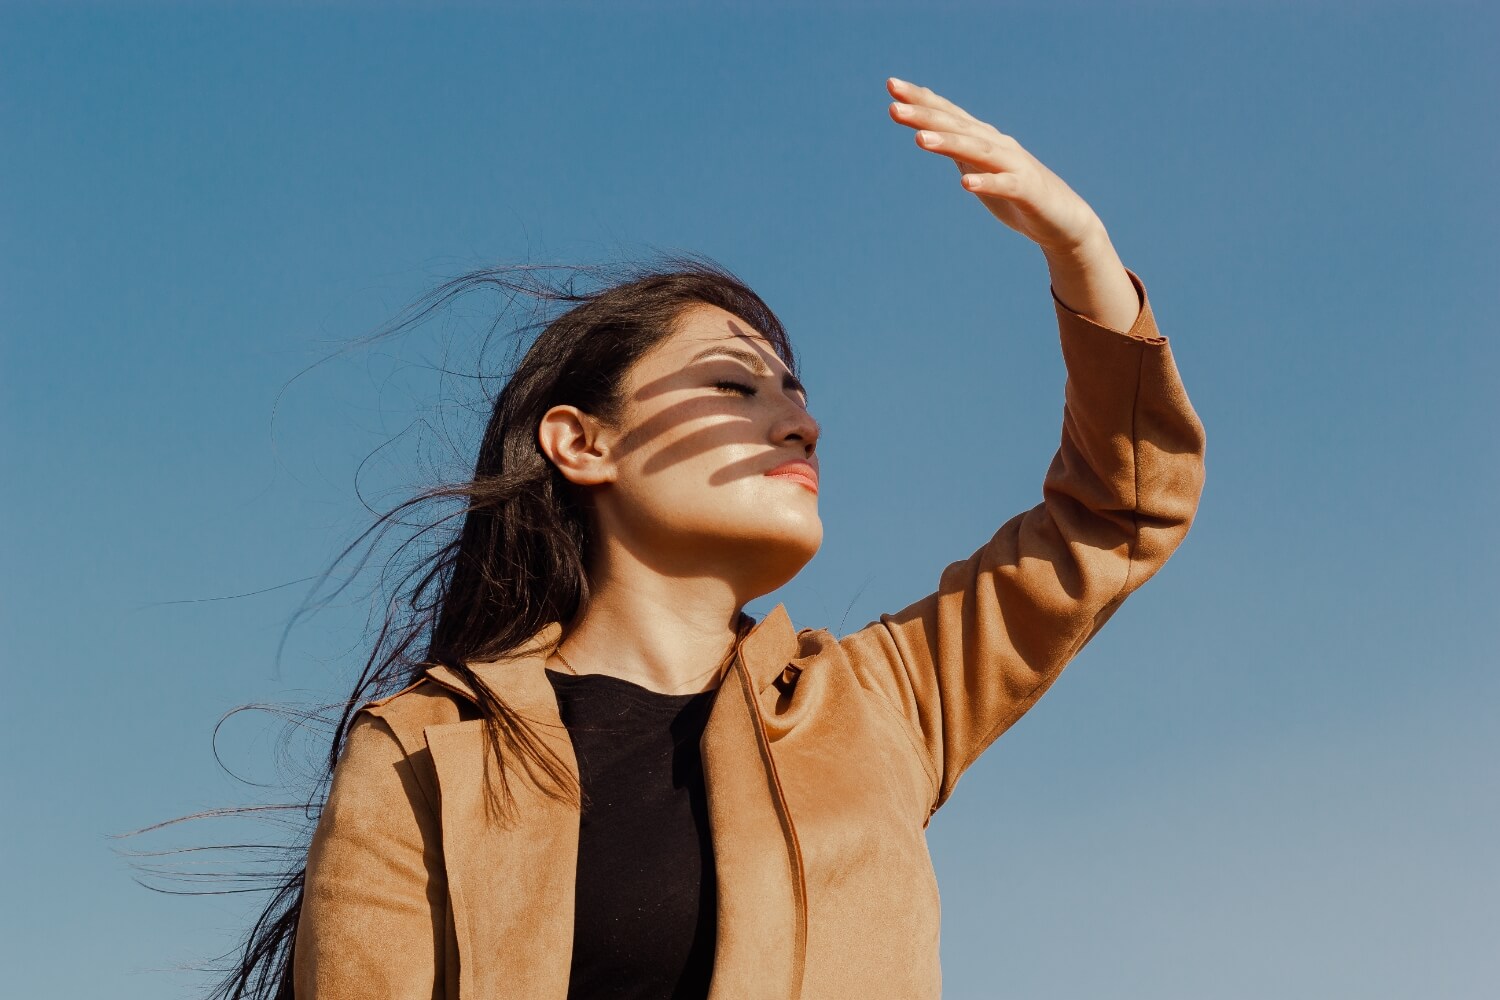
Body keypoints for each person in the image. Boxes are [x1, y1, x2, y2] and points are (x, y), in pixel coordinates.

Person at [225, 77, 1206, 1000]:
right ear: (583, 441)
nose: (799, 423)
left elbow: (1116, 513)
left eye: (796, 395)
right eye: (733, 386)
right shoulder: (425, 747)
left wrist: (1080, 254)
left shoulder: (881, 706)